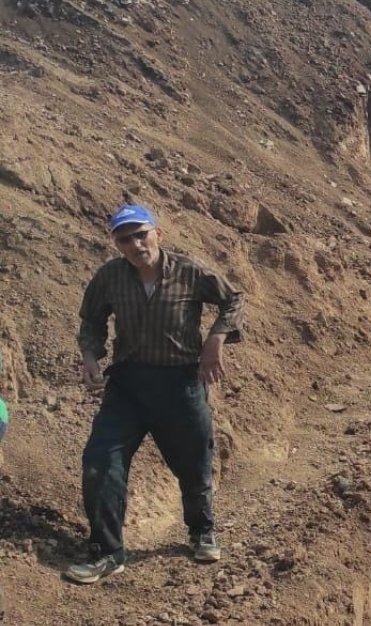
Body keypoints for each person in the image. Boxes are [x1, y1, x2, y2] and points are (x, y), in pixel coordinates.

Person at [64, 204, 245, 585]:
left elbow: (233, 299)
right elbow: (91, 320)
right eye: (124, 238)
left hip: (180, 383)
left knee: (194, 460)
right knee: (101, 462)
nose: (135, 244)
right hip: (127, 386)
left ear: (157, 234)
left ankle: (201, 531)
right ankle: (108, 552)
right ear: (116, 243)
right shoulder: (110, 276)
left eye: (140, 234)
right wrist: (90, 357)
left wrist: (216, 338)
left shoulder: (189, 271)